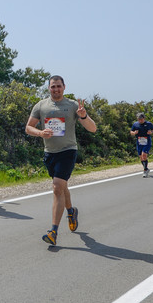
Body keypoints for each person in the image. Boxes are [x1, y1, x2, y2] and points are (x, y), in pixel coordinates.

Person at [25, 75, 97, 246]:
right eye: (53, 86)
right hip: (50, 153)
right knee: (62, 187)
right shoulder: (41, 105)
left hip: (68, 151)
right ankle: (71, 211)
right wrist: (41, 133)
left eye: (58, 86)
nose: (56, 89)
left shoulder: (72, 106)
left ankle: (53, 232)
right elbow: (28, 128)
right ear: (48, 88)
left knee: (57, 187)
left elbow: (93, 129)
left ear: (64, 87)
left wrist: (84, 116)